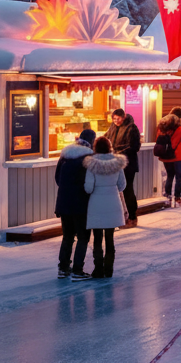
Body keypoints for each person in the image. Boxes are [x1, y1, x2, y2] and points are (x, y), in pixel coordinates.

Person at [84, 136, 127, 280]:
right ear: (109, 147)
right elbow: (122, 185)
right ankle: (109, 269)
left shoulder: (92, 164)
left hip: (96, 203)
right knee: (110, 238)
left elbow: (88, 188)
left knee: (97, 238)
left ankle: (98, 269)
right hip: (113, 202)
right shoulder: (117, 164)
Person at [55, 129, 95, 280]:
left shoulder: (65, 156)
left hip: (64, 202)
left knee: (67, 236)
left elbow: (58, 179)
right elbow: (90, 183)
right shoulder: (88, 158)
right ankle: (78, 270)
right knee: (83, 237)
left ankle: (63, 268)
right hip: (80, 203)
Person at [105, 108, 141, 227]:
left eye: (118, 118)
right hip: (115, 163)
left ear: (124, 117)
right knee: (117, 191)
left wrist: (119, 151)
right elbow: (107, 138)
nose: (116, 121)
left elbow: (135, 146)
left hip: (128, 164)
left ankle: (132, 217)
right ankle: (122, 217)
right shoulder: (113, 127)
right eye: (114, 119)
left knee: (127, 190)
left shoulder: (132, 128)